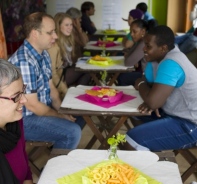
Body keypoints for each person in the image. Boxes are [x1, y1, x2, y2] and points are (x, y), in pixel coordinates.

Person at [8, 12, 85, 149]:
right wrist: (60, 116)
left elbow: (52, 90)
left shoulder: (43, 53)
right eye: (50, 32)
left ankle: (57, 152)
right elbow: (32, 105)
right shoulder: (24, 61)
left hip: (40, 112)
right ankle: (53, 168)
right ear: (35, 34)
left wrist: (63, 111)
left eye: (54, 31)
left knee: (81, 116)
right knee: (72, 132)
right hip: (24, 120)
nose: (55, 36)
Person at [126, 25, 197, 151]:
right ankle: (151, 149)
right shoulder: (158, 58)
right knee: (134, 113)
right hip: (174, 114)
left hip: (190, 123)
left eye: (148, 46)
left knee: (132, 140)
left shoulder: (171, 62)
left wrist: (140, 83)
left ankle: (148, 161)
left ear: (163, 48)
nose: (144, 49)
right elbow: (151, 88)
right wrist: (153, 97)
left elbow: (152, 102)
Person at [0, 60, 33, 184]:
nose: (24, 99)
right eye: (16, 96)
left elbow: (24, 162)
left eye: (23, 91)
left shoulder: (15, 123)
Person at [47, 13, 90, 100]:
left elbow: (85, 43)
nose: (70, 27)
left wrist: (79, 29)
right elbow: (53, 73)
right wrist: (64, 89)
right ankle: (75, 96)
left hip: (67, 71)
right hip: (59, 76)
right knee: (87, 71)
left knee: (88, 72)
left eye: (71, 25)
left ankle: (76, 96)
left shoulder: (69, 39)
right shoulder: (54, 44)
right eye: (66, 25)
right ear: (58, 26)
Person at [118, 19, 148, 86]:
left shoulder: (143, 43)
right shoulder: (140, 41)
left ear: (143, 31)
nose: (131, 34)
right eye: (130, 31)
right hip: (144, 72)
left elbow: (128, 62)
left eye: (134, 32)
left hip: (148, 76)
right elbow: (126, 52)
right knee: (122, 74)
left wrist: (131, 57)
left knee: (123, 77)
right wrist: (132, 57)